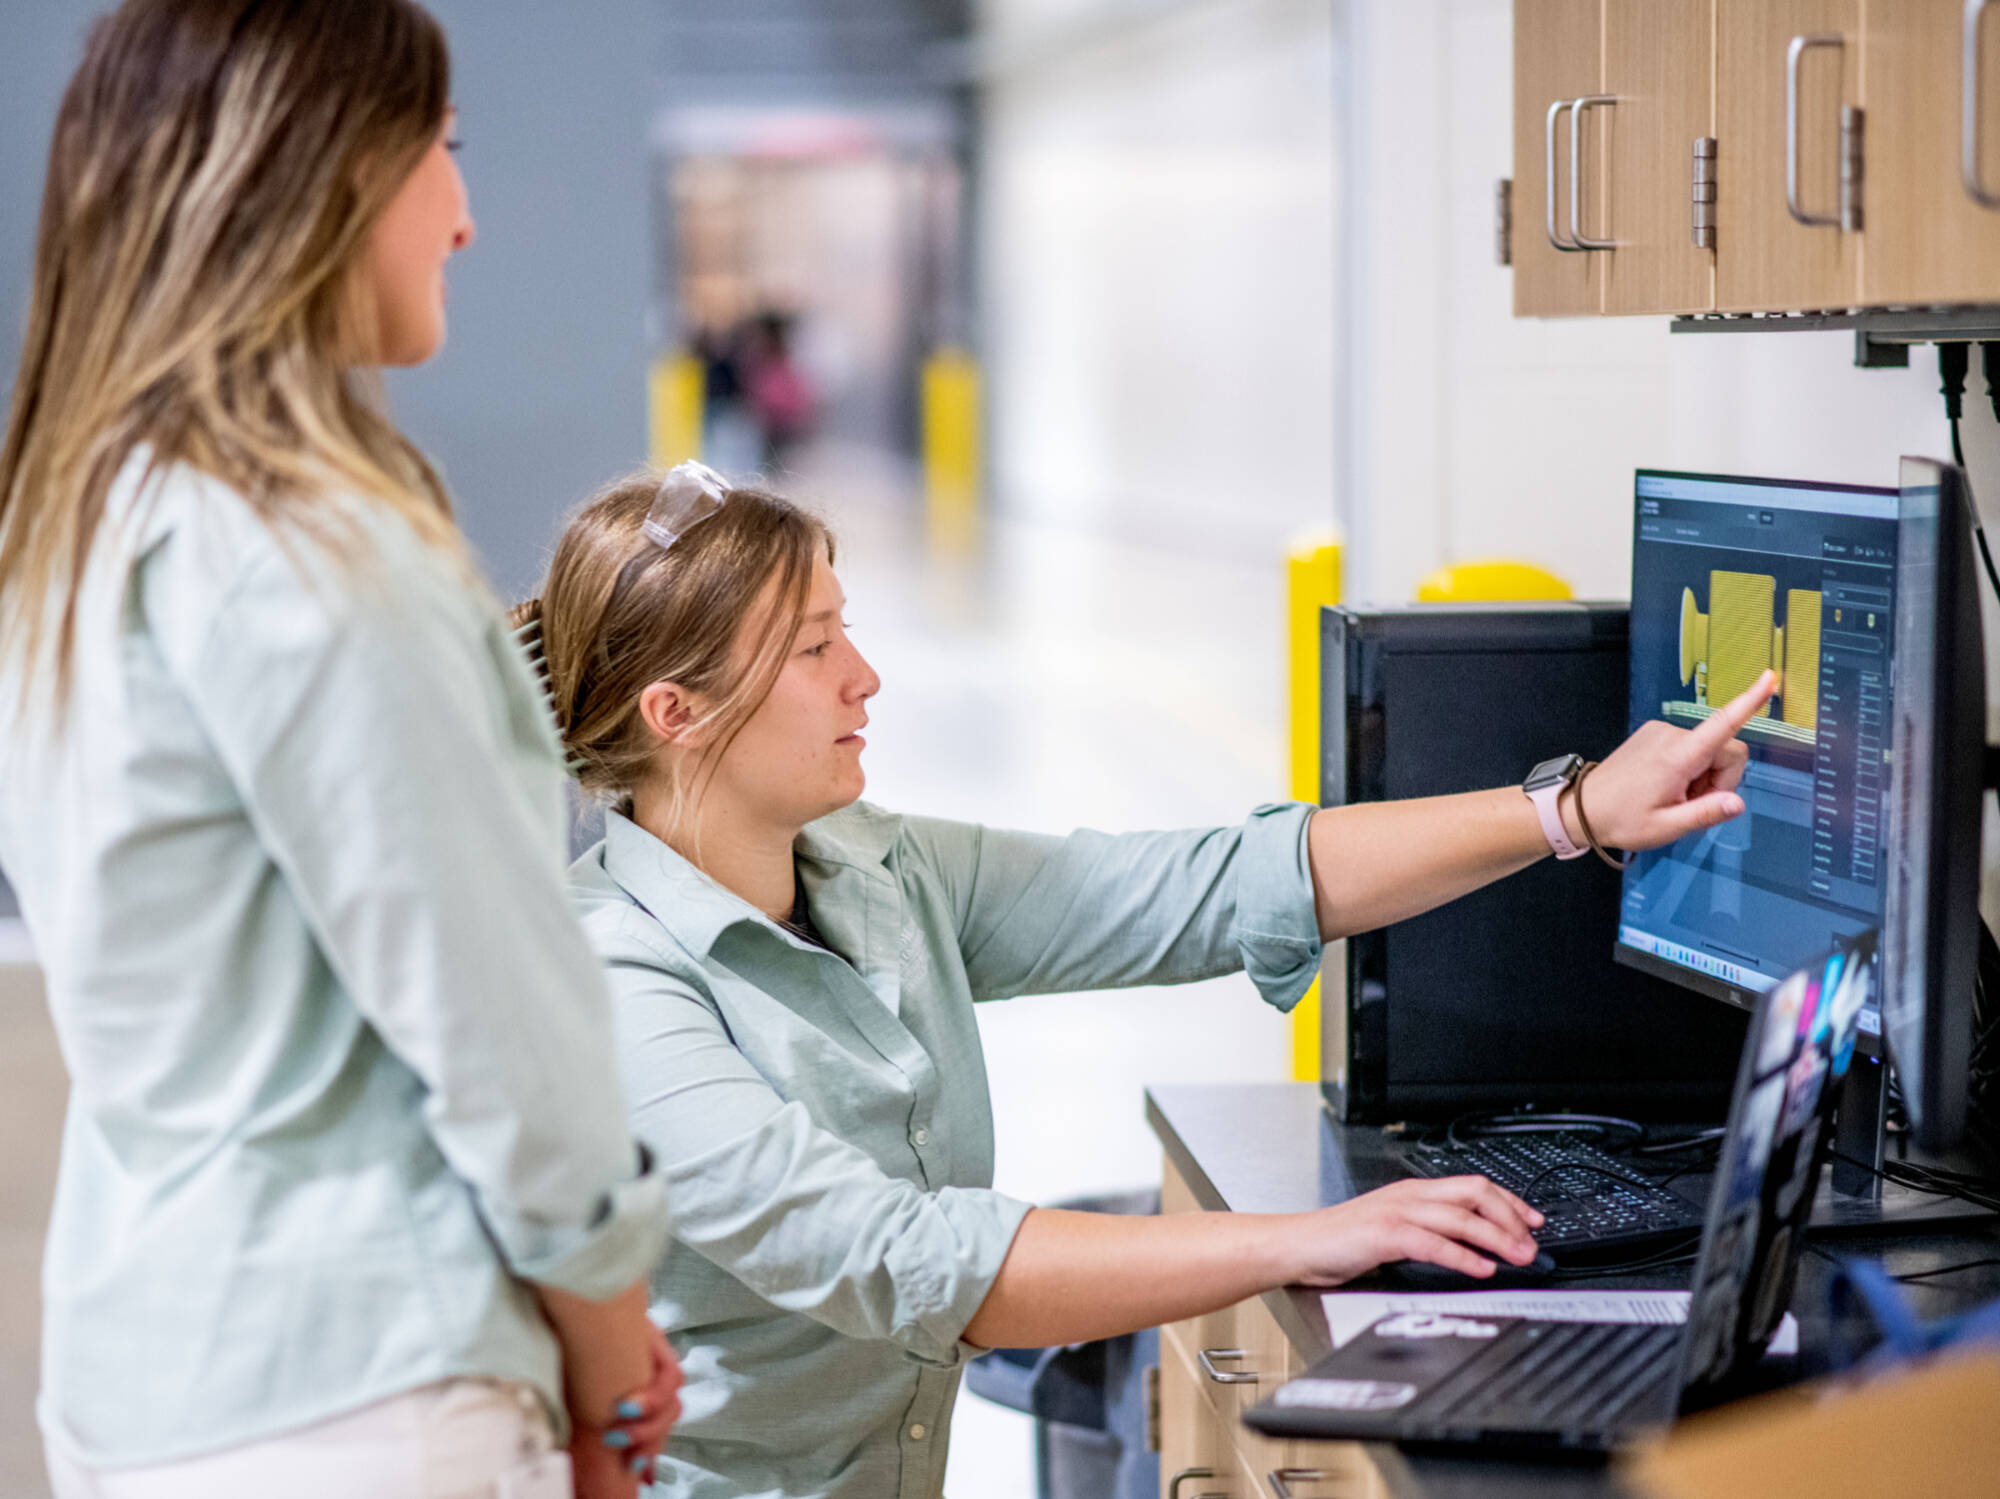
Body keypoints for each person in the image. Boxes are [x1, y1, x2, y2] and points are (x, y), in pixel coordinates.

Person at [516, 462, 1773, 1499]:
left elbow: (1209, 883)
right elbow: (895, 1254)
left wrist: (1569, 810)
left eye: (846, 628)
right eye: (811, 645)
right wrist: (1304, 1238)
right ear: (676, 713)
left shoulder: (874, 868)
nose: (864, 675)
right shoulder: (612, 982)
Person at [0, 3, 679, 1495]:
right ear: (320, 177)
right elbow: (498, 1017)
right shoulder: (315, 549)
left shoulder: (76, 531)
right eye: (443, 151)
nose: (466, 220)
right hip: (369, 1392)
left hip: (150, 1385)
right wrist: (613, 1342)